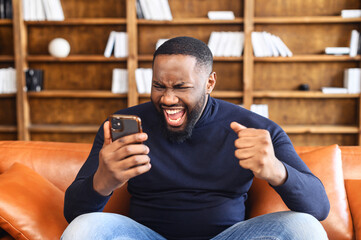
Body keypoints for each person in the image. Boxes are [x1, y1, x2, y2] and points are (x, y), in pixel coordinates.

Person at [62, 36, 330, 240]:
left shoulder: (256, 128)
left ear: (209, 83)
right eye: (158, 86)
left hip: (228, 236)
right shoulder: (120, 127)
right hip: (146, 236)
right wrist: (104, 181)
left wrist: (275, 170)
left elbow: (319, 208)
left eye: (181, 87)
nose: (167, 99)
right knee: (84, 228)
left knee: (304, 228)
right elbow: (73, 214)